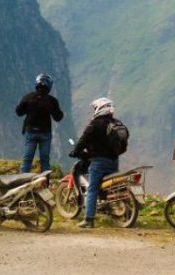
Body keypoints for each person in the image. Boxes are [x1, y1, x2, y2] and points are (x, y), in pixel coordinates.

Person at [69, 97, 122, 228]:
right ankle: (109, 209)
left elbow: (83, 140)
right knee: (108, 188)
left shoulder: (95, 124)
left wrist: (75, 151)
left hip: (99, 162)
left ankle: (89, 219)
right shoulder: (115, 123)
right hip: (114, 161)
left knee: (92, 189)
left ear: (100, 108)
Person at [15, 73, 64, 173]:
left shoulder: (28, 97)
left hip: (30, 131)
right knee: (45, 160)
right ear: (49, 85)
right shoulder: (52, 101)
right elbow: (58, 117)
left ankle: (22, 181)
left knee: (27, 158)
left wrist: (28, 108)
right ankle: (45, 183)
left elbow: (19, 112)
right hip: (45, 133)